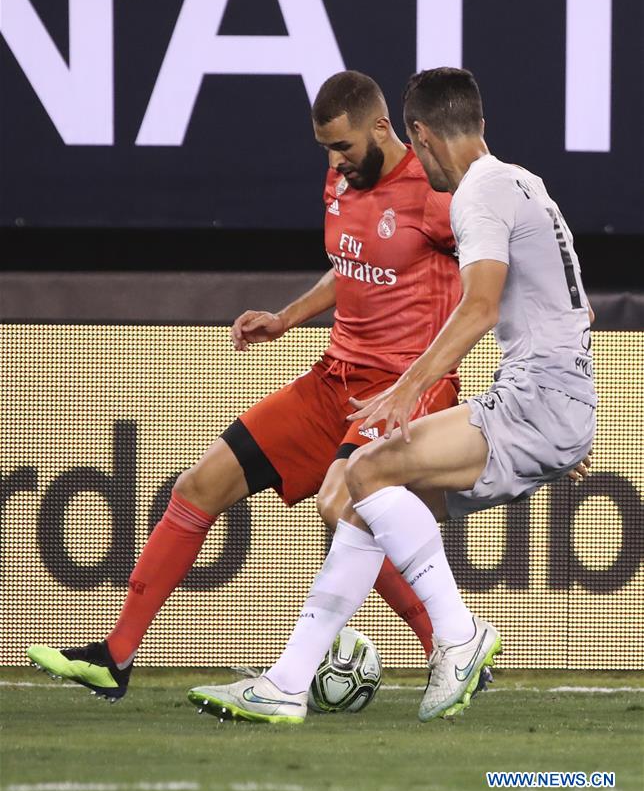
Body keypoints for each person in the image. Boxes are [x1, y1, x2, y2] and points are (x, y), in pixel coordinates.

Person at [27, 71, 464, 700]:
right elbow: (353, 266)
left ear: (380, 127)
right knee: (199, 484)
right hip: (333, 378)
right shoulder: (343, 179)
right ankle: (115, 656)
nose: (335, 162)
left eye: (343, 147)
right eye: (326, 151)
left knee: (350, 508)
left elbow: (489, 281)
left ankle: (449, 648)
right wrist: (287, 316)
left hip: (405, 389)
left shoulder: (435, 191)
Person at [189, 67, 596, 724]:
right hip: (550, 403)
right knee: (361, 502)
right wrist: (567, 416)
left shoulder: (475, 196)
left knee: (365, 471)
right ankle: (287, 681)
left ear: (420, 134)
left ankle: (458, 633)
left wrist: (409, 389)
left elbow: (479, 308)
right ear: (481, 125)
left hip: (537, 403)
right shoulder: (528, 184)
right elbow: (577, 311)